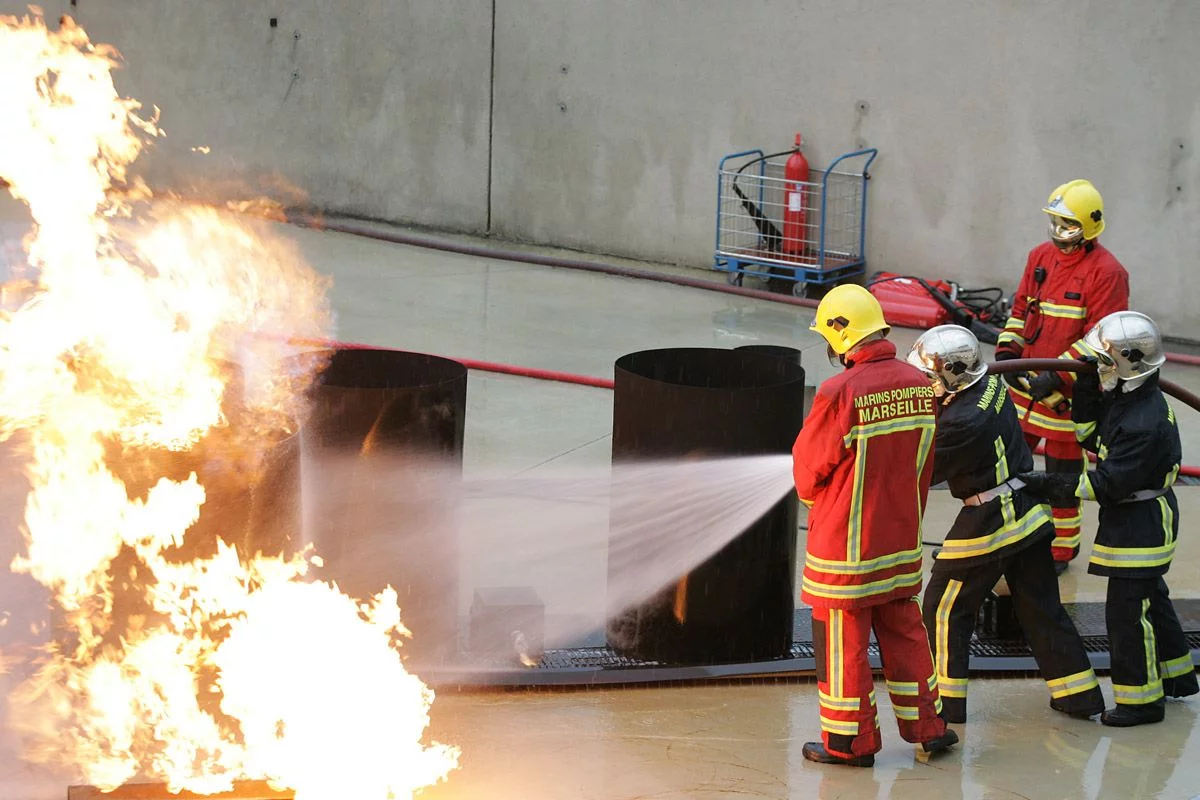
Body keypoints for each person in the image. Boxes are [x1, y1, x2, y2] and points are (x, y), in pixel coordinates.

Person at [792, 284, 958, 767]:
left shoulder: (839, 391)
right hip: (901, 540)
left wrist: (818, 504)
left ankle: (850, 743)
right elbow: (923, 464)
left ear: (841, 336)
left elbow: (809, 471)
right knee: (906, 631)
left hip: (845, 549)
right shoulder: (918, 384)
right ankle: (929, 729)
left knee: (843, 643)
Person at [906, 324, 1105, 723]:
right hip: (1028, 511)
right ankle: (1079, 696)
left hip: (993, 517)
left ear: (951, 377)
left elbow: (920, 469)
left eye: (928, 377)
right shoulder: (990, 384)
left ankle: (946, 707)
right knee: (1042, 610)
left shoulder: (961, 422)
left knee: (944, 607)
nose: (923, 385)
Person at [1021, 311, 1199, 726]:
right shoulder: (1128, 397)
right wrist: (1085, 385)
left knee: (1126, 613)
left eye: (1103, 361)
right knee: (1151, 599)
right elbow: (1092, 437)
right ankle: (1176, 677)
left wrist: (1045, 483)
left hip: (1142, 523)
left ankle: (1141, 703)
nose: (1098, 367)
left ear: (1126, 362)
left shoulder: (1143, 422)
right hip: (1135, 516)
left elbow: (1106, 484)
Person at [994, 180, 1129, 572]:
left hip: (1066, 400)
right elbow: (1022, 310)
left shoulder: (1108, 273)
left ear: (1088, 228)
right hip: (1025, 390)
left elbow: (1102, 337)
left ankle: (1060, 551)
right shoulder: (1039, 257)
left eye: (1068, 226)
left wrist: (1056, 376)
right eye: (1054, 223)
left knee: (1063, 478)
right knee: (1008, 468)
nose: (1058, 233)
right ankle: (1012, 535)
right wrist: (1008, 351)